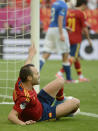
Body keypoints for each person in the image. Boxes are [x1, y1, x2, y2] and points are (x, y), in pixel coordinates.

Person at [8, 43, 80, 125]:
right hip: (43, 114)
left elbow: (26, 65)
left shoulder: (21, 79)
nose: (39, 75)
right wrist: (24, 124)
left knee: (60, 81)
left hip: (39, 101)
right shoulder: (25, 98)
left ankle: (60, 102)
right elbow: (11, 116)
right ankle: (60, 114)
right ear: (29, 78)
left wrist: (31, 54)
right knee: (76, 102)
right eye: (36, 74)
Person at [56, 0, 93, 82]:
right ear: (83, 5)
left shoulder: (68, 12)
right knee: (73, 57)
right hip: (76, 38)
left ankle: (81, 76)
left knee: (76, 58)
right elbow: (84, 29)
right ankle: (60, 72)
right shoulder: (80, 13)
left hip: (67, 37)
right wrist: (89, 39)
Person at [40, 0, 75, 82]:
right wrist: (61, 33)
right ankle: (69, 79)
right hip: (58, 30)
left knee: (46, 54)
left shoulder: (55, 3)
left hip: (51, 29)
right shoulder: (64, 5)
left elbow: (54, 19)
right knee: (65, 54)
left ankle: (34, 73)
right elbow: (60, 18)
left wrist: (64, 27)